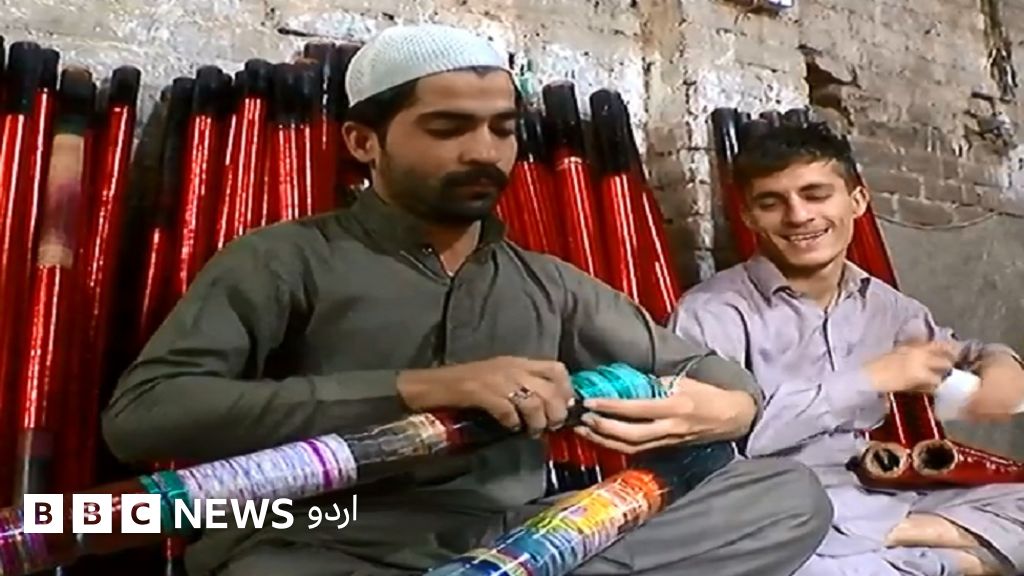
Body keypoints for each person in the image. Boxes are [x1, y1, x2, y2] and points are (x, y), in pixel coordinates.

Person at [101, 23, 831, 576]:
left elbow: (708, 372)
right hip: (323, 539)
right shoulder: (283, 259)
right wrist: (423, 389)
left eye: (502, 129)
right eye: (448, 128)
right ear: (363, 140)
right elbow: (144, 417)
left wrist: (728, 409)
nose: (485, 151)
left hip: (507, 541)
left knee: (786, 497)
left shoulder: (546, 281)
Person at [651, 121, 1024, 575]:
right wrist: (871, 378)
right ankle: (951, 558)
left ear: (857, 201)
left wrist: (1002, 364)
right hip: (767, 503)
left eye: (816, 195)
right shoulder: (712, 312)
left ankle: (907, 542)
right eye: (771, 203)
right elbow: (712, 450)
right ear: (748, 216)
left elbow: (964, 352)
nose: (798, 216)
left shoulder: (887, 306)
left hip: (873, 490)